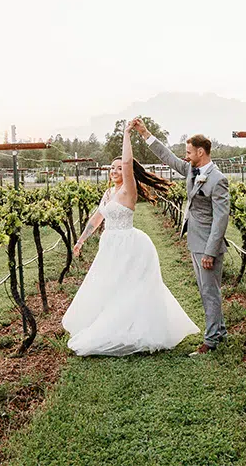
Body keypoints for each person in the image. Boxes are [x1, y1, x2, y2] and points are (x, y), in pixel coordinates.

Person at [61, 120, 200, 356]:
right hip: (109, 245)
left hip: (130, 244)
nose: (115, 171)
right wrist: (82, 239)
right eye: (111, 168)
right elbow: (96, 219)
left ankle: (133, 330)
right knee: (111, 286)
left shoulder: (129, 188)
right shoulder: (108, 193)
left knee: (132, 287)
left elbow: (127, 162)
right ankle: (115, 325)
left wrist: (127, 134)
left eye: (118, 168)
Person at [131, 118, 230, 356]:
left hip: (208, 245)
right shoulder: (191, 170)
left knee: (209, 291)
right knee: (207, 289)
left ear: (200, 152)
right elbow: (168, 158)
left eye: (188, 152)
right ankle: (220, 331)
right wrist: (145, 133)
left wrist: (209, 251)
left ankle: (211, 341)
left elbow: (221, 219)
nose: (185, 156)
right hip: (195, 240)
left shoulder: (218, 180)